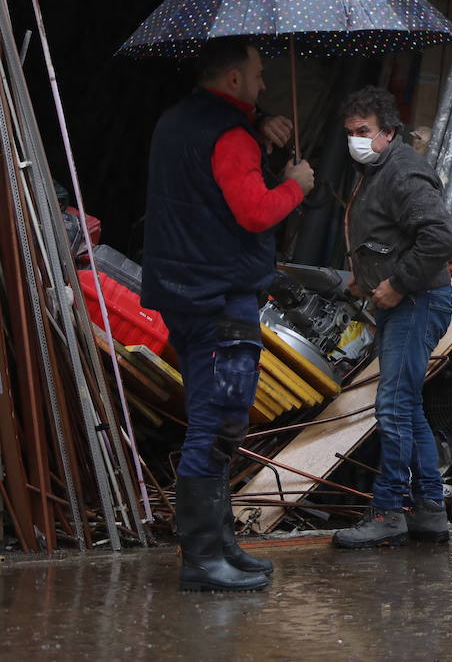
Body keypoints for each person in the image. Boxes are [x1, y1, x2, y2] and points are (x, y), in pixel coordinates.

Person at [142, 38, 315, 592]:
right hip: (219, 297)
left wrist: (258, 127)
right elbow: (254, 211)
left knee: (211, 420)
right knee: (217, 427)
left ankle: (219, 545)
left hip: (182, 293)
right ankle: (202, 560)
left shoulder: (174, 121)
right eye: (259, 75)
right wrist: (295, 184)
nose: (264, 83)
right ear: (235, 81)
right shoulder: (230, 138)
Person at [331, 86, 452, 549]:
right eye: (349, 133)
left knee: (392, 406)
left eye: (363, 132)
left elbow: (440, 237)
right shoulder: (375, 169)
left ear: (388, 132)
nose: (355, 141)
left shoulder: (402, 171)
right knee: (406, 406)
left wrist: (398, 282)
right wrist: (365, 275)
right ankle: (428, 512)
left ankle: (387, 511)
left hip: (416, 301)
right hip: (403, 301)